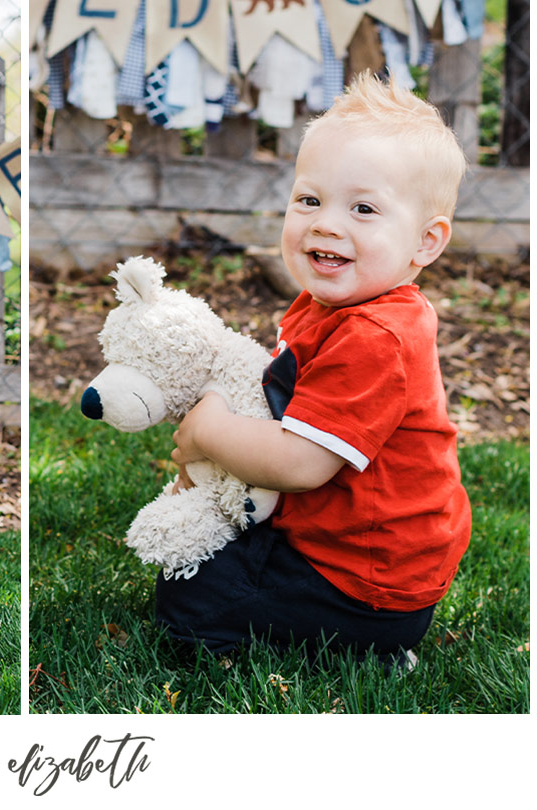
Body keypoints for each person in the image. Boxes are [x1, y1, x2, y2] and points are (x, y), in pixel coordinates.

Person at [158, 73, 471, 666]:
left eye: (363, 208)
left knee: (193, 592)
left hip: (366, 581)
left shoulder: (375, 335)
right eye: (310, 200)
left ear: (425, 242)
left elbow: (300, 464)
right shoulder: (334, 304)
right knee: (211, 535)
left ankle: (362, 649)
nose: (327, 223)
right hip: (355, 551)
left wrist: (207, 431)